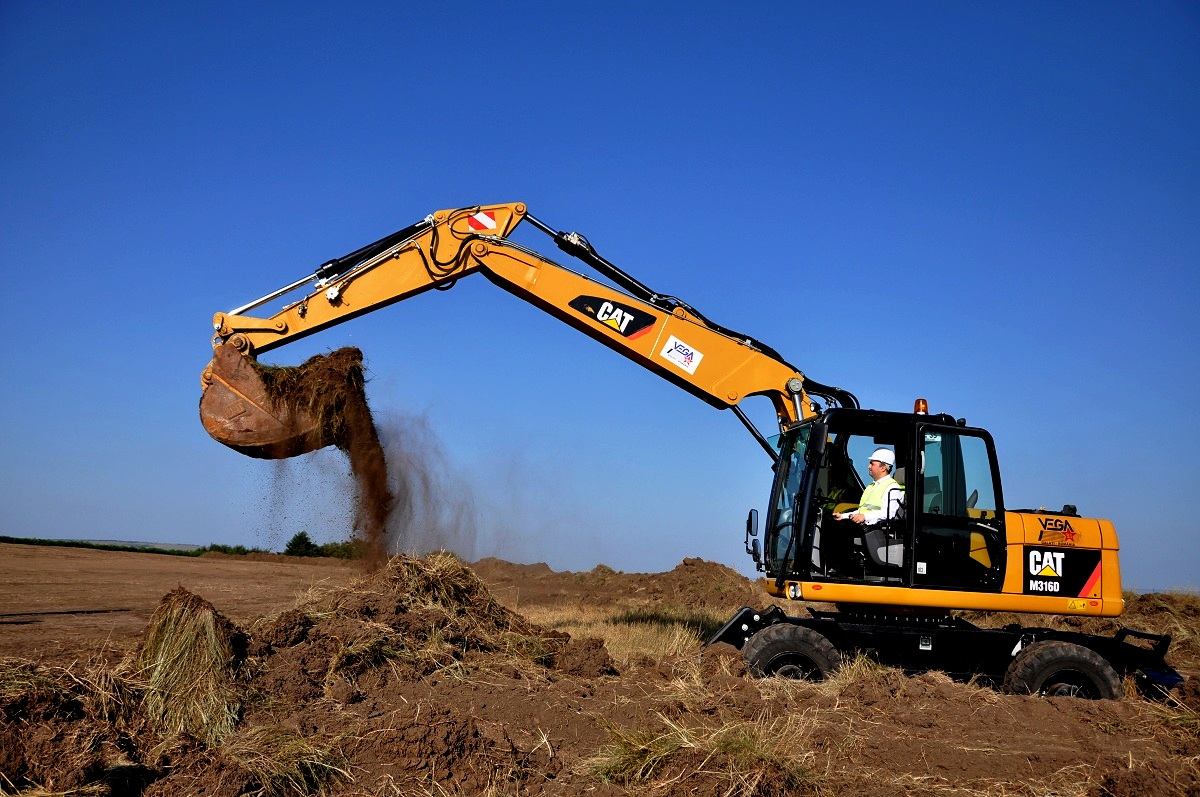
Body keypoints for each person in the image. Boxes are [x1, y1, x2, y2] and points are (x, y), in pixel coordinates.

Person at [834, 448, 902, 525]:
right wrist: (843, 516)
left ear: (883, 468)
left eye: (872, 464)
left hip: (877, 531)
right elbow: (862, 511)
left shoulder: (892, 487)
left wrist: (865, 517)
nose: (869, 466)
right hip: (865, 527)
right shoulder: (871, 486)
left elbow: (888, 514)